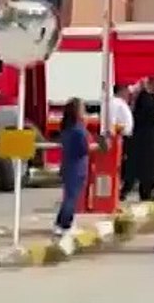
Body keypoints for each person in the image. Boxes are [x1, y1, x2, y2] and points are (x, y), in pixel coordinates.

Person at [53, 98, 90, 236]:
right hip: (77, 166)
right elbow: (83, 149)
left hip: (69, 164)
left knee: (69, 196)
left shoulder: (67, 128)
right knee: (71, 197)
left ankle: (60, 222)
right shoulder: (77, 130)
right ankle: (65, 224)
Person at [107, 84, 135, 200]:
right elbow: (112, 120)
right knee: (124, 166)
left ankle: (123, 191)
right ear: (121, 91)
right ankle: (121, 191)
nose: (129, 94)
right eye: (126, 91)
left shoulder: (122, 103)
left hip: (126, 137)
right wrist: (114, 135)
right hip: (120, 138)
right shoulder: (115, 103)